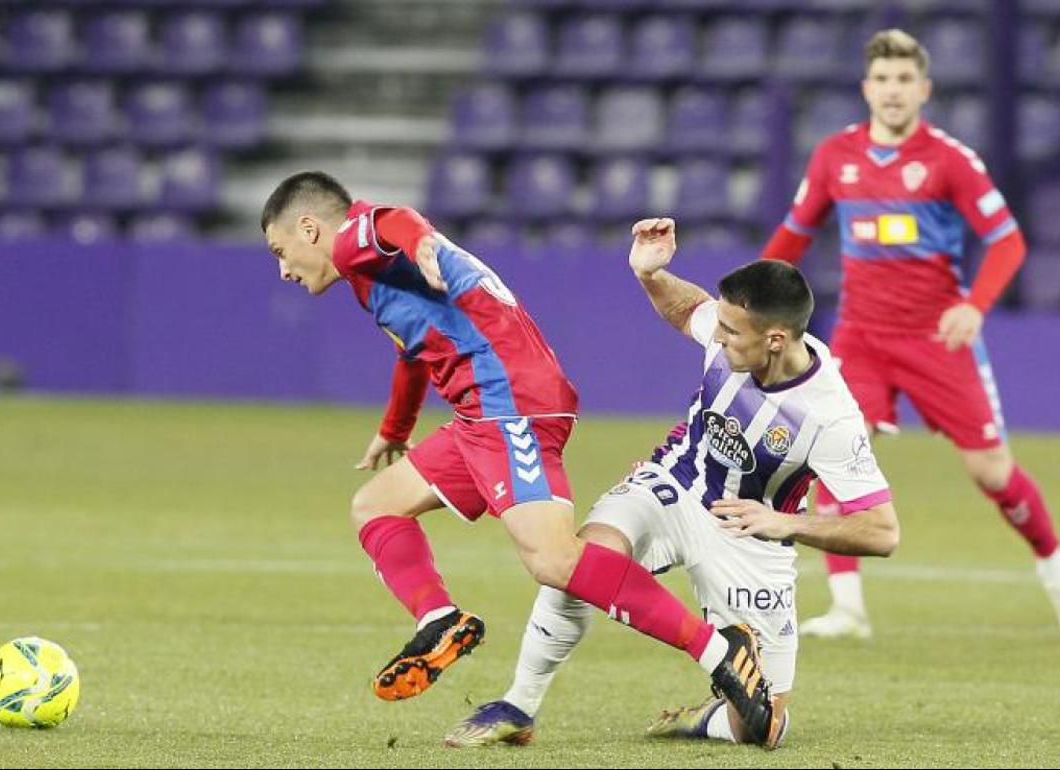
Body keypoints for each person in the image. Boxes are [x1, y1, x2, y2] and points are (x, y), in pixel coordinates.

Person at [261, 173, 778, 743]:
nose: (283, 269)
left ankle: (717, 648)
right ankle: (439, 621)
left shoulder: (355, 237)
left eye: (280, 252)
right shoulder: (370, 280)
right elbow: (413, 353)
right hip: (480, 412)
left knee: (554, 560)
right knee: (377, 506)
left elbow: (392, 222)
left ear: (309, 228)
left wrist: (421, 242)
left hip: (509, 401)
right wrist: (395, 428)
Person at [446, 219, 899, 749]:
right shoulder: (733, 333)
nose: (718, 335)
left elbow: (882, 531)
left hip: (750, 533)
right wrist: (649, 274)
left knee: (763, 728)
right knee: (576, 563)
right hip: (674, 485)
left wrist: (783, 522)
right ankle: (518, 705)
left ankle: (704, 718)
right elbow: (688, 308)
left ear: (775, 340)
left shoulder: (830, 416)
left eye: (731, 332)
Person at [761, 29, 1060, 639]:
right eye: (882, 79)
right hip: (861, 339)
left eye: (904, 80)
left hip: (936, 340)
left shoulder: (949, 160)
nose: (893, 91)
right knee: (830, 456)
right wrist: (750, 299)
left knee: (992, 473)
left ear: (923, 89)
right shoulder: (834, 157)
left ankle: (1053, 567)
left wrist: (975, 305)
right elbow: (793, 237)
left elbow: (1007, 240)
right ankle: (848, 608)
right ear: (866, 88)